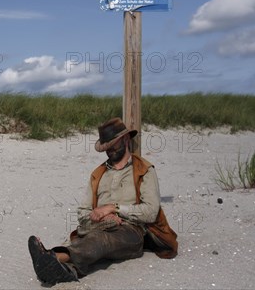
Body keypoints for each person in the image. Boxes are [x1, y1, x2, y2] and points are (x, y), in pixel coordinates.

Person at [28, 117, 178, 285]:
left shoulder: (144, 170)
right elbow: (82, 212)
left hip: (131, 231)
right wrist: (99, 216)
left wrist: (113, 209)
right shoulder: (98, 174)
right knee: (92, 241)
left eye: (113, 145)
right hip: (97, 225)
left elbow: (151, 212)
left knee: (102, 241)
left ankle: (53, 257)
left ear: (126, 139)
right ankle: (66, 271)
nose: (110, 150)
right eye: (107, 147)